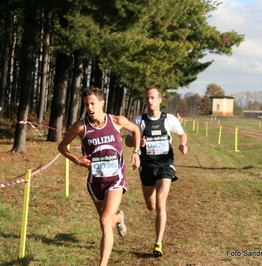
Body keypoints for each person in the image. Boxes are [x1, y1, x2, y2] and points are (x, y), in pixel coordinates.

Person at [58, 87, 141, 266]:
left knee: (104, 221)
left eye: (93, 103)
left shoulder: (117, 121)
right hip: (95, 181)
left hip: (115, 179)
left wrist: (136, 151)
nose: (90, 107)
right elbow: (62, 147)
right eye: (86, 104)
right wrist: (77, 160)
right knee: (108, 223)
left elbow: (135, 130)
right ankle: (120, 218)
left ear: (102, 103)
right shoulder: (81, 127)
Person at [125, 86, 188, 257]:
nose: (150, 101)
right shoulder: (139, 120)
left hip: (165, 166)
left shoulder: (169, 119)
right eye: (147, 98)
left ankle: (158, 243)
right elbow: (128, 141)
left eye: (153, 98)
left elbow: (182, 134)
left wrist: (183, 144)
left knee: (161, 203)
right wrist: (139, 144)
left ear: (160, 100)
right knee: (151, 206)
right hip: (147, 167)